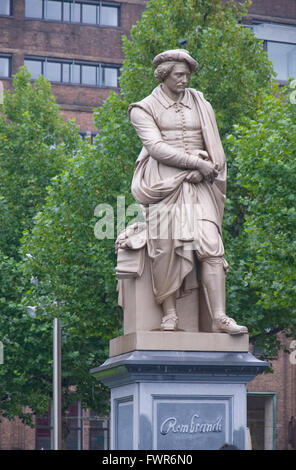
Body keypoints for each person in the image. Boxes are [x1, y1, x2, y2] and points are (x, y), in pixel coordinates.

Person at [128, 49, 247, 335]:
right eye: (179, 75)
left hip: (201, 182)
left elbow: (215, 145)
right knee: (165, 249)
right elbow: (156, 148)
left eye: (187, 75)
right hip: (163, 185)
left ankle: (219, 316)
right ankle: (169, 314)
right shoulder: (142, 108)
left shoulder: (200, 101)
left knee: (211, 245)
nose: (184, 80)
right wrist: (195, 162)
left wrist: (207, 167)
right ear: (163, 75)